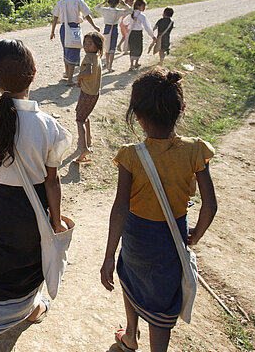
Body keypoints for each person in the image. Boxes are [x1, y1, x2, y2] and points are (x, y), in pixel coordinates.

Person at [0, 39, 72, 352]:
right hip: (33, 210)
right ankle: (33, 308)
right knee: (32, 262)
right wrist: (56, 221)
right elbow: (52, 181)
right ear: (34, 74)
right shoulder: (50, 127)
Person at [99, 68, 218, 352]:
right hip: (171, 239)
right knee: (162, 300)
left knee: (129, 278)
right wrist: (195, 236)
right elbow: (210, 206)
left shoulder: (130, 155)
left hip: (137, 238)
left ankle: (130, 336)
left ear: (137, 115)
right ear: (181, 109)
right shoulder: (195, 150)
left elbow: (120, 209)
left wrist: (108, 256)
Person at [49, 0, 100, 86]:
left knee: (66, 50)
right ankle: (70, 80)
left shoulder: (61, 2)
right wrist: (94, 26)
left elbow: (55, 17)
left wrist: (52, 31)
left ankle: (68, 73)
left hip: (64, 29)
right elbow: (87, 15)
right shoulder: (78, 1)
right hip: (74, 29)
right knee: (73, 52)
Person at [74, 32, 104, 163]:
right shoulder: (96, 56)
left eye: (89, 44)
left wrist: (79, 77)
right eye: (85, 44)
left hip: (86, 93)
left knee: (79, 120)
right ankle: (89, 140)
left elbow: (88, 72)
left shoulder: (88, 57)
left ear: (97, 46)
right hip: (94, 93)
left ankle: (84, 148)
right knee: (85, 116)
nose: (86, 46)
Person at [94, 0, 132, 72]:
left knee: (107, 47)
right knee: (112, 48)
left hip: (107, 28)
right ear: (118, 3)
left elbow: (96, 8)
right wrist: (124, 4)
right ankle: (110, 66)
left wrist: (103, 2)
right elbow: (130, 11)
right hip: (114, 28)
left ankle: (107, 63)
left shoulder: (105, 10)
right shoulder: (119, 11)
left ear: (109, 2)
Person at [125, 0, 156, 71]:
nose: (144, 7)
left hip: (131, 33)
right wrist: (153, 36)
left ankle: (131, 64)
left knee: (132, 49)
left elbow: (124, 22)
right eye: (143, 6)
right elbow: (147, 27)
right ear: (138, 6)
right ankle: (136, 62)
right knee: (139, 48)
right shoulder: (142, 16)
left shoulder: (131, 14)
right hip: (138, 33)